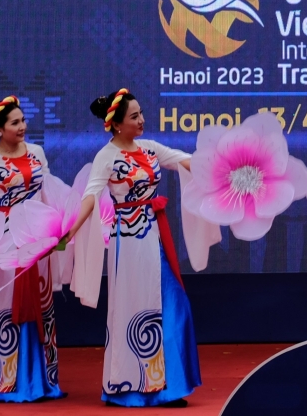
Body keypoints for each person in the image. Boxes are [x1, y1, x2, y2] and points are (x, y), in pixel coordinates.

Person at [69, 89, 201, 407]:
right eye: (134, 116)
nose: (141, 120)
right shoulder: (106, 156)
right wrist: (69, 231)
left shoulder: (149, 148)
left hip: (153, 237)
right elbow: (91, 196)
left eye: (141, 114)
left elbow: (184, 160)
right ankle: (129, 386)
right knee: (133, 309)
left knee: (174, 304)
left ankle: (167, 387)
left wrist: (223, 168)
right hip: (127, 243)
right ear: (116, 124)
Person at [0, 96, 64, 402]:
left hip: (37, 239)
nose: (22, 126)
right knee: (3, 305)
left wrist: (58, 231)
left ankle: (41, 379)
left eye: (23, 120)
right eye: (15, 122)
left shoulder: (37, 153)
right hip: (4, 242)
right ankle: (2, 377)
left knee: (40, 302)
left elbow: (49, 193)